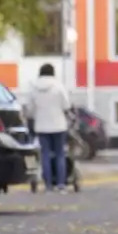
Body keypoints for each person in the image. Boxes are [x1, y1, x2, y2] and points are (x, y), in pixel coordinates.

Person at [24, 64, 72, 192]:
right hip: (59, 125)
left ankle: (48, 185)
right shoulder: (59, 86)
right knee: (60, 154)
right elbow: (66, 105)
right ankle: (61, 184)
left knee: (45, 155)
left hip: (41, 126)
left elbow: (29, 110)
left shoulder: (33, 88)